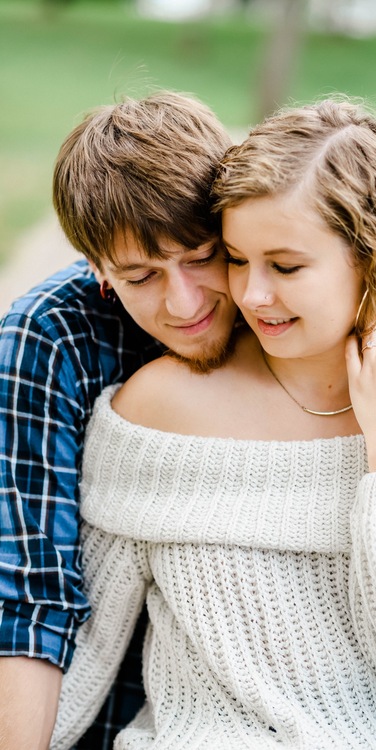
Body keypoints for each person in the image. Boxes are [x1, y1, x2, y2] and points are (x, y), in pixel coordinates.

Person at [48, 96, 376, 749]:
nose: (251, 294)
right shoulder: (155, 411)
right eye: (235, 258)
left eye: (284, 266)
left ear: (372, 256)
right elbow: (80, 656)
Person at [0, 90, 237, 750]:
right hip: (104, 714)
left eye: (200, 256)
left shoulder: (285, 306)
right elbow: (30, 590)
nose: (184, 301)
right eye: (141, 276)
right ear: (99, 269)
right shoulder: (47, 339)